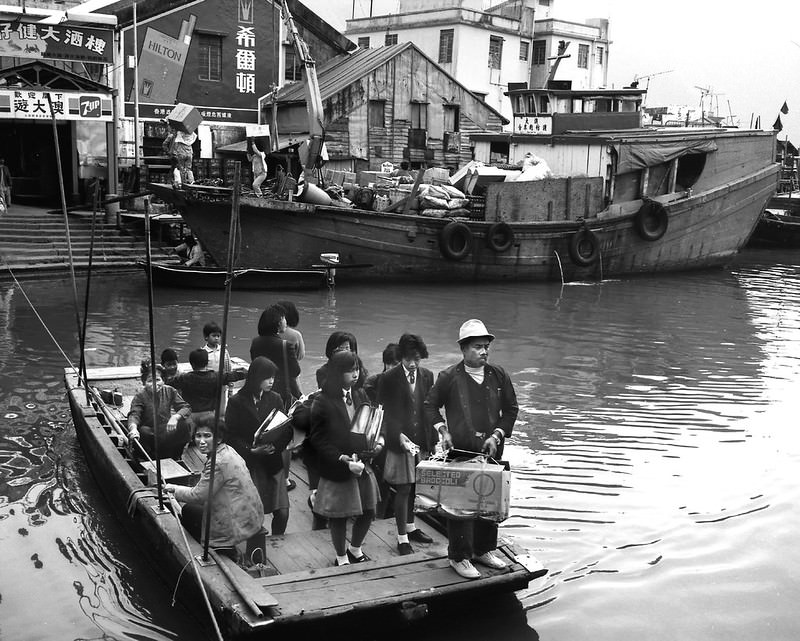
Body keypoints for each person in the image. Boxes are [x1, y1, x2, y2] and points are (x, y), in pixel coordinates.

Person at [424, 319, 519, 580]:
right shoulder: (448, 377)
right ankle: (459, 556)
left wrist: (498, 434)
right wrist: (443, 431)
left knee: (489, 500)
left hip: (490, 451)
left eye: (486, 346)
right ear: (464, 349)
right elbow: (430, 406)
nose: (484, 351)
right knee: (460, 506)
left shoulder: (498, 375)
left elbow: (511, 409)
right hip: (460, 451)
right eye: (478, 347)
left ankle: (483, 549)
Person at [310, 351, 383, 566]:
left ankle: (355, 548)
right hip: (339, 466)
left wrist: (378, 442)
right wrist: (343, 459)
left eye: (357, 369)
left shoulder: (360, 394)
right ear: (337, 373)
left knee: (369, 511)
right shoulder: (322, 400)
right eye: (349, 370)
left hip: (361, 463)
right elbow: (317, 439)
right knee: (339, 516)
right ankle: (341, 556)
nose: (355, 373)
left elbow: (372, 424)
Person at [165, 420, 263, 558]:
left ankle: (211, 550)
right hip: (251, 516)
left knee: (188, 510)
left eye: (207, 436)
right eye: (198, 436)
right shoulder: (229, 450)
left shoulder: (217, 462)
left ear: (219, 438)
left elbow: (198, 496)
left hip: (234, 522)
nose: (202, 441)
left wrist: (173, 489)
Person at [377, 334, 436, 555]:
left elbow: (430, 408)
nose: (413, 364)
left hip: (421, 440)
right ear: (401, 356)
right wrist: (398, 435)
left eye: (417, 359)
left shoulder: (427, 376)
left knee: (415, 487)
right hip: (399, 440)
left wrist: (435, 439)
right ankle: (402, 538)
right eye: (409, 359)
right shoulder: (389, 378)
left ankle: (411, 527)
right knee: (402, 488)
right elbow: (384, 413)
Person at [226, 357, 293, 536]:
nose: (271, 381)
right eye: (267, 377)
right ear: (256, 378)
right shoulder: (236, 401)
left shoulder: (275, 398)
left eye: (273, 377)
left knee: (283, 511)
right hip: (251, 463)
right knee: (253, 512)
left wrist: (274, 447)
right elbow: (230, 435)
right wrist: (251, 451)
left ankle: (279, 541)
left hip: (272, 461)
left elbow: (286, 430)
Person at [127, 362, 192, 459]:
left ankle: (176, 456)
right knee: (144, 431)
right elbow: (134, 415)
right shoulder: (140, 396)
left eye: (157, 380)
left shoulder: (170, 391)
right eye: (150, 381)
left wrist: (175, 417)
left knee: (185, 424)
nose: (154, 384)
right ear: (144, 382)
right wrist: (133, 429)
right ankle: (148, 458)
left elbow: (186, 407)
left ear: (163, 381)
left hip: (165, 430)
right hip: (149, 432)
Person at [170, 348, 246, 427]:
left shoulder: (184, 378)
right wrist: (244, 373)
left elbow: (169, 383)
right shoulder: (216, 376)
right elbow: (233, 376)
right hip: (209, 415)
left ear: (192, 364)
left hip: (189, 415)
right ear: (207, 363)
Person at [250, 304, 301, 405]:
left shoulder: (255, 342)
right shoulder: (285, 345)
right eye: (284, 319)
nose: (286, 322)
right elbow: (295, 371)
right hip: (282, 393)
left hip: (262, 391)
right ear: (278, 322)